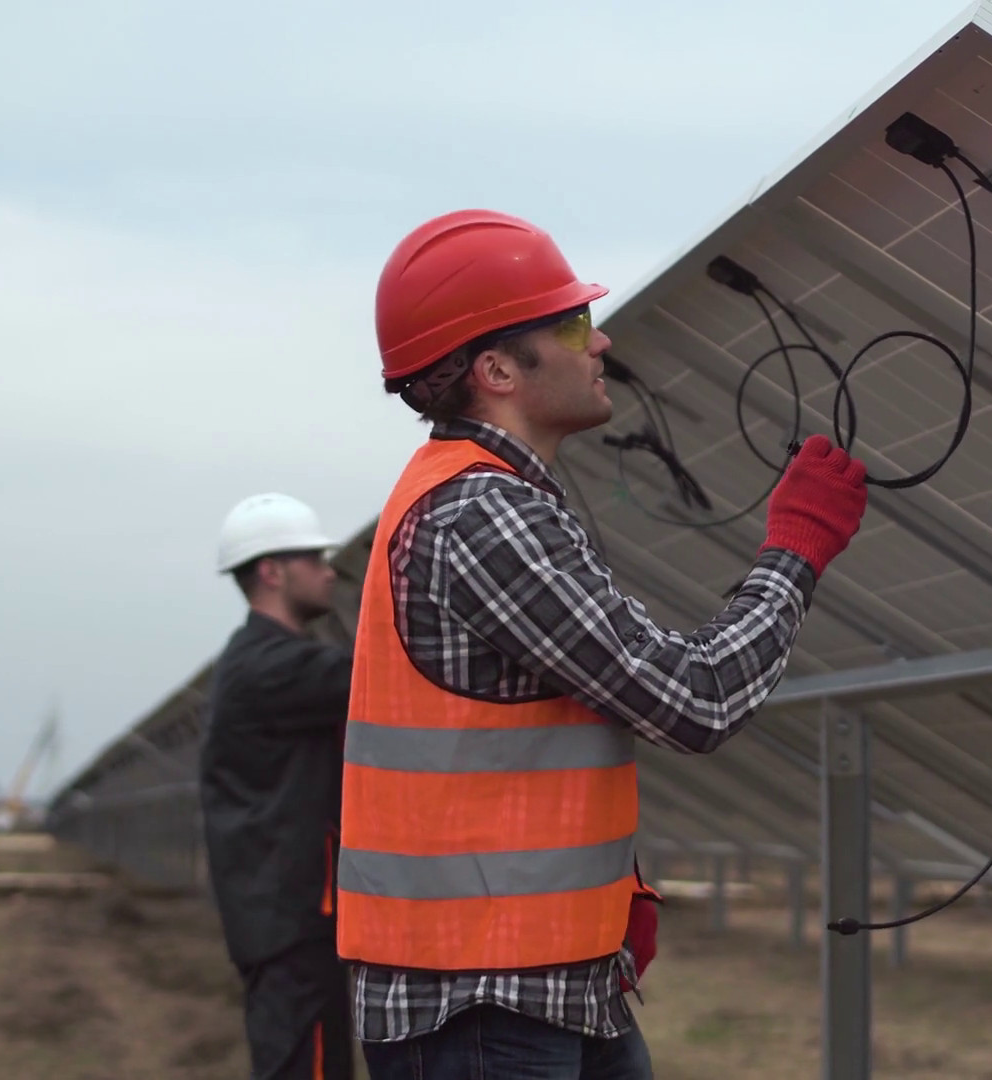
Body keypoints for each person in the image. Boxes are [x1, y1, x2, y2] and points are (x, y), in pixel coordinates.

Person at [337, 209, 871, 1079]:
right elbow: (692, 701)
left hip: (545, 980)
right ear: (498, 368)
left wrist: (608, 895)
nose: (603, 340)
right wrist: (796, 549)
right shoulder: (482, 514)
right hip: (483, 1000)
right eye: (575, 323)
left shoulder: (500, 500)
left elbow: (519, 760)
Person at [201, 492, 356, 1080]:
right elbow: (366, 675)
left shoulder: (262, 660)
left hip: (283, 915)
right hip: (290, 918)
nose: (329, 571)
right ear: (271, 571)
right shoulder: (270, 666)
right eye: (314, 559)